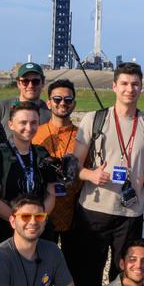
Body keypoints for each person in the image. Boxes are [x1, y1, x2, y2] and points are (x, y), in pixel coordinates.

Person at [70, 62, 144, 286]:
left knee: (122, 277)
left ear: (141, 88)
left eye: (135, 84)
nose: (129, 89)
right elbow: (73, 167)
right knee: (87, 275)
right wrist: (90, 175)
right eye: (124, 83)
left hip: (130, 212)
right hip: (94, 210)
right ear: (114, 86)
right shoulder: (94, 120)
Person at [0, 101, 58, 249]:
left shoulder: (42, 154)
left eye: (33, 122)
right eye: (23, 122)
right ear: (11, 124)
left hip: (37, 232)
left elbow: (51, 193)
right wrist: (21, 222)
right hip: (5, 232)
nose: (29, 128)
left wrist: (37, 221)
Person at [33, 79, 81, 253]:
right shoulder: (36, 133)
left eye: (68, 100)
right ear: (48, 103)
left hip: (74, 214)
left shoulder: (82, 136)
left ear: (74, 104)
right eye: (57, 99)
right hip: (44, 212)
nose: (63, 103)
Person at [0, 61, 51, 140]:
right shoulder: (2, 107)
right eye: (25, 81)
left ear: (43, 83)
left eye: (35, 81)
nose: (30, 85)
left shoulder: (50, 113)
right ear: (18, 83)